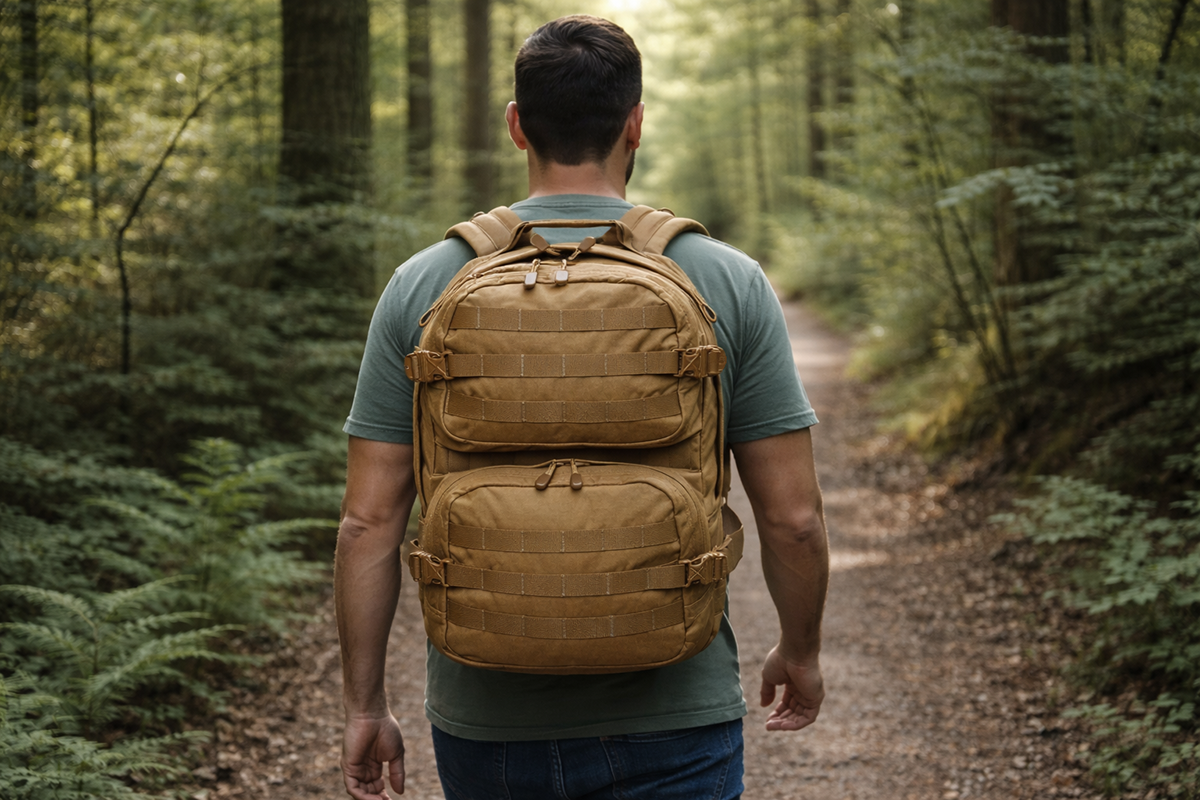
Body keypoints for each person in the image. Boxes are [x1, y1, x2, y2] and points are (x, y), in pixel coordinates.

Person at [335, 14, 829, 800]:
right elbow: (794, 518)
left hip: (486, 716)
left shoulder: (423, 283)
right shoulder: (726, 280)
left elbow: (367, 522)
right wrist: (799, 653)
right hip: (676, 707)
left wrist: (365, 704)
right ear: (636, 124)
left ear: (516, 127)